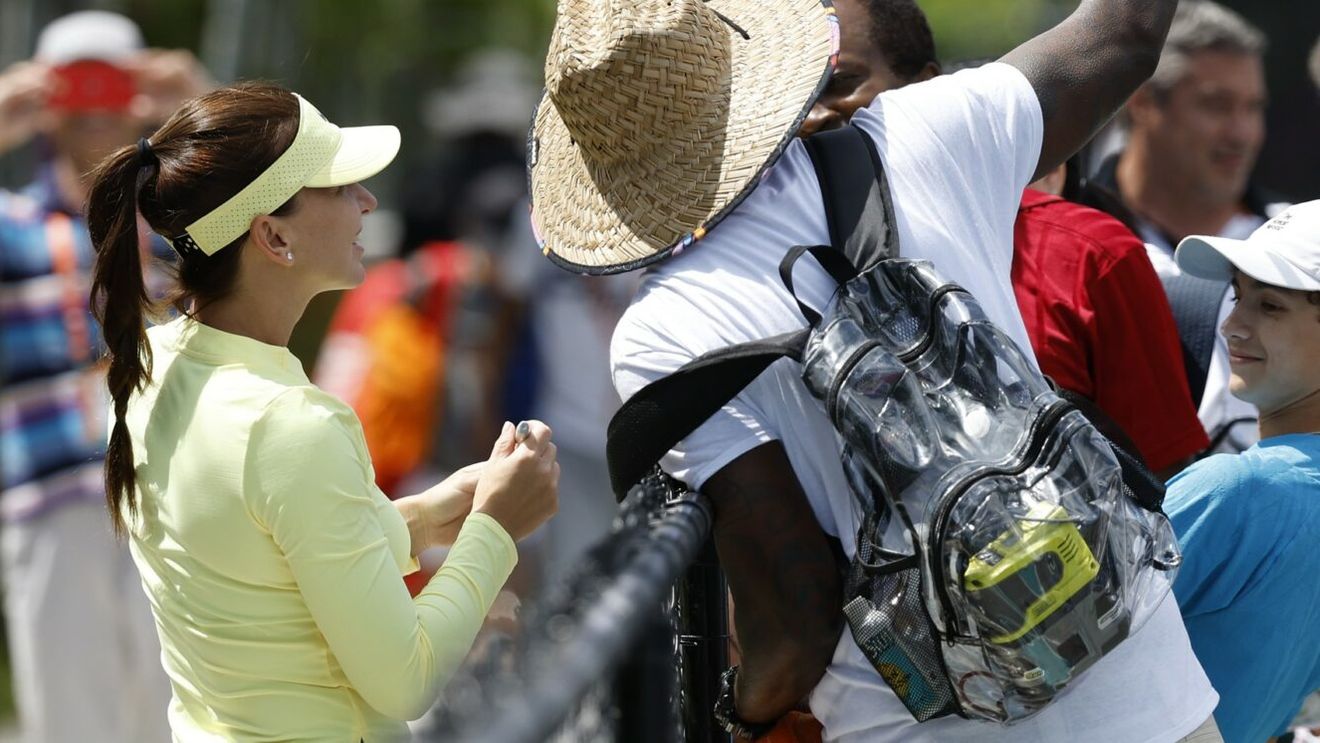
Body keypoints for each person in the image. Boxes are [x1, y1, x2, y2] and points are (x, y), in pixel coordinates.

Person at [530, 0, 1220, 740]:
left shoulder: (664, 331)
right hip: (1141, 691)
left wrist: (743, 707)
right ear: (744, 68)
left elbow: (795, 621)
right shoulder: (925, 129)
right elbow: (1126, 33)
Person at [85, 82, 559, 741]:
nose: (367, 201)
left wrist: (427, 515)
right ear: (274, 236)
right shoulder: (292, 423)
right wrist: (495, 531)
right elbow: (407, 678)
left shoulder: (151, 367)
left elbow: (261, 563)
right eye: (338, 188)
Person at [799, 0, 1208, 479]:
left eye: (841, 83)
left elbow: (1166, 478)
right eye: (797, 98)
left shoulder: (1090, 256)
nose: (811, 116)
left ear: (926, 89)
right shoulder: (750, 260)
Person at [0, 11, 209, 742]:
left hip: (174, 500)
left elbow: (274, 217)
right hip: (52, 503)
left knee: (185, 717)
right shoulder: (13, 224)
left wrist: (197, 112)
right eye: (75, 83)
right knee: (69, 722)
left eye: (110, 81)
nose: (94, 103)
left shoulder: (182, 223)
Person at [1091, 0, 1288, 457]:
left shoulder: (1301, 247)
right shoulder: (1065, 246)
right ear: (1141, 101)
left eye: (1253, 107)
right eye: (1215, 105)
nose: (1241, 133)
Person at [1164, 200, 1320, 743]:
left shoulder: (1236, 491)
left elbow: (1033, 644)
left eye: (1270, 306)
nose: (1232, 324)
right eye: (1238, 296)